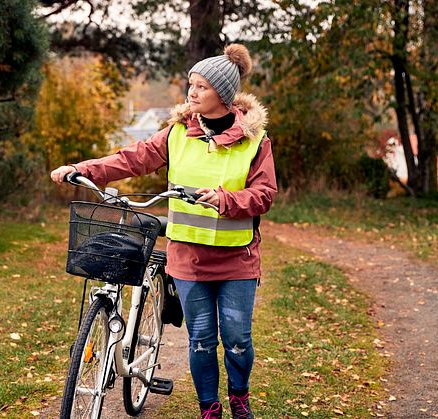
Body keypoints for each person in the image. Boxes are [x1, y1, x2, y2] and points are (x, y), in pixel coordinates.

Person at [51, 43, 277, 419]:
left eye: (202, 86)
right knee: (201, 341)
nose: (192, 92)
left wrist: (225, 200)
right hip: (188, 259)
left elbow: (264, 194)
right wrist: (84, 169)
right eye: (191, 84)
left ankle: (239, 395)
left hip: (237, 258)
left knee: (236, 339)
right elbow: (132, 158)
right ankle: (210, 407)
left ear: (222, 94)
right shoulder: (176, 133)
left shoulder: (255, 141)